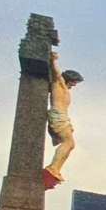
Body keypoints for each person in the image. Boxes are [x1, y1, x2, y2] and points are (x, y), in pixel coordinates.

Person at [43, 51, 83, 189]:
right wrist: (53, 60)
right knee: (69, 143)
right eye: (74, 82)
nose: (74, 85)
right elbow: (57, 75)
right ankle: (53, 168)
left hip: (62, 117)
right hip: (58, 116)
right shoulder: (58, 84)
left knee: (70, 144)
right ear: (69, 79)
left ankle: (55, 168)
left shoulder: (64, 89)